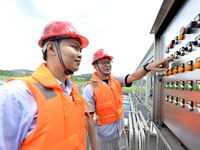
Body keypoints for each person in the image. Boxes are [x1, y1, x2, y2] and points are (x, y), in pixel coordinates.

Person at [0, 21, 91, 150]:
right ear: (51, 48)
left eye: (80, 50)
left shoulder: (72, 93)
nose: (80, 54)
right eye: (74, 47)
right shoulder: (16, 93)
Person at [83, 48, 173, 150]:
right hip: (105, 138)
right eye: (103, 62)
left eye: (108, 62)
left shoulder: (116, 80)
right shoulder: (90, 89)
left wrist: (147, 68)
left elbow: (133, 76)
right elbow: (88, 120)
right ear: (95, 66)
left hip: (121, 133)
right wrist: (94, 148)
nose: (107, 65)